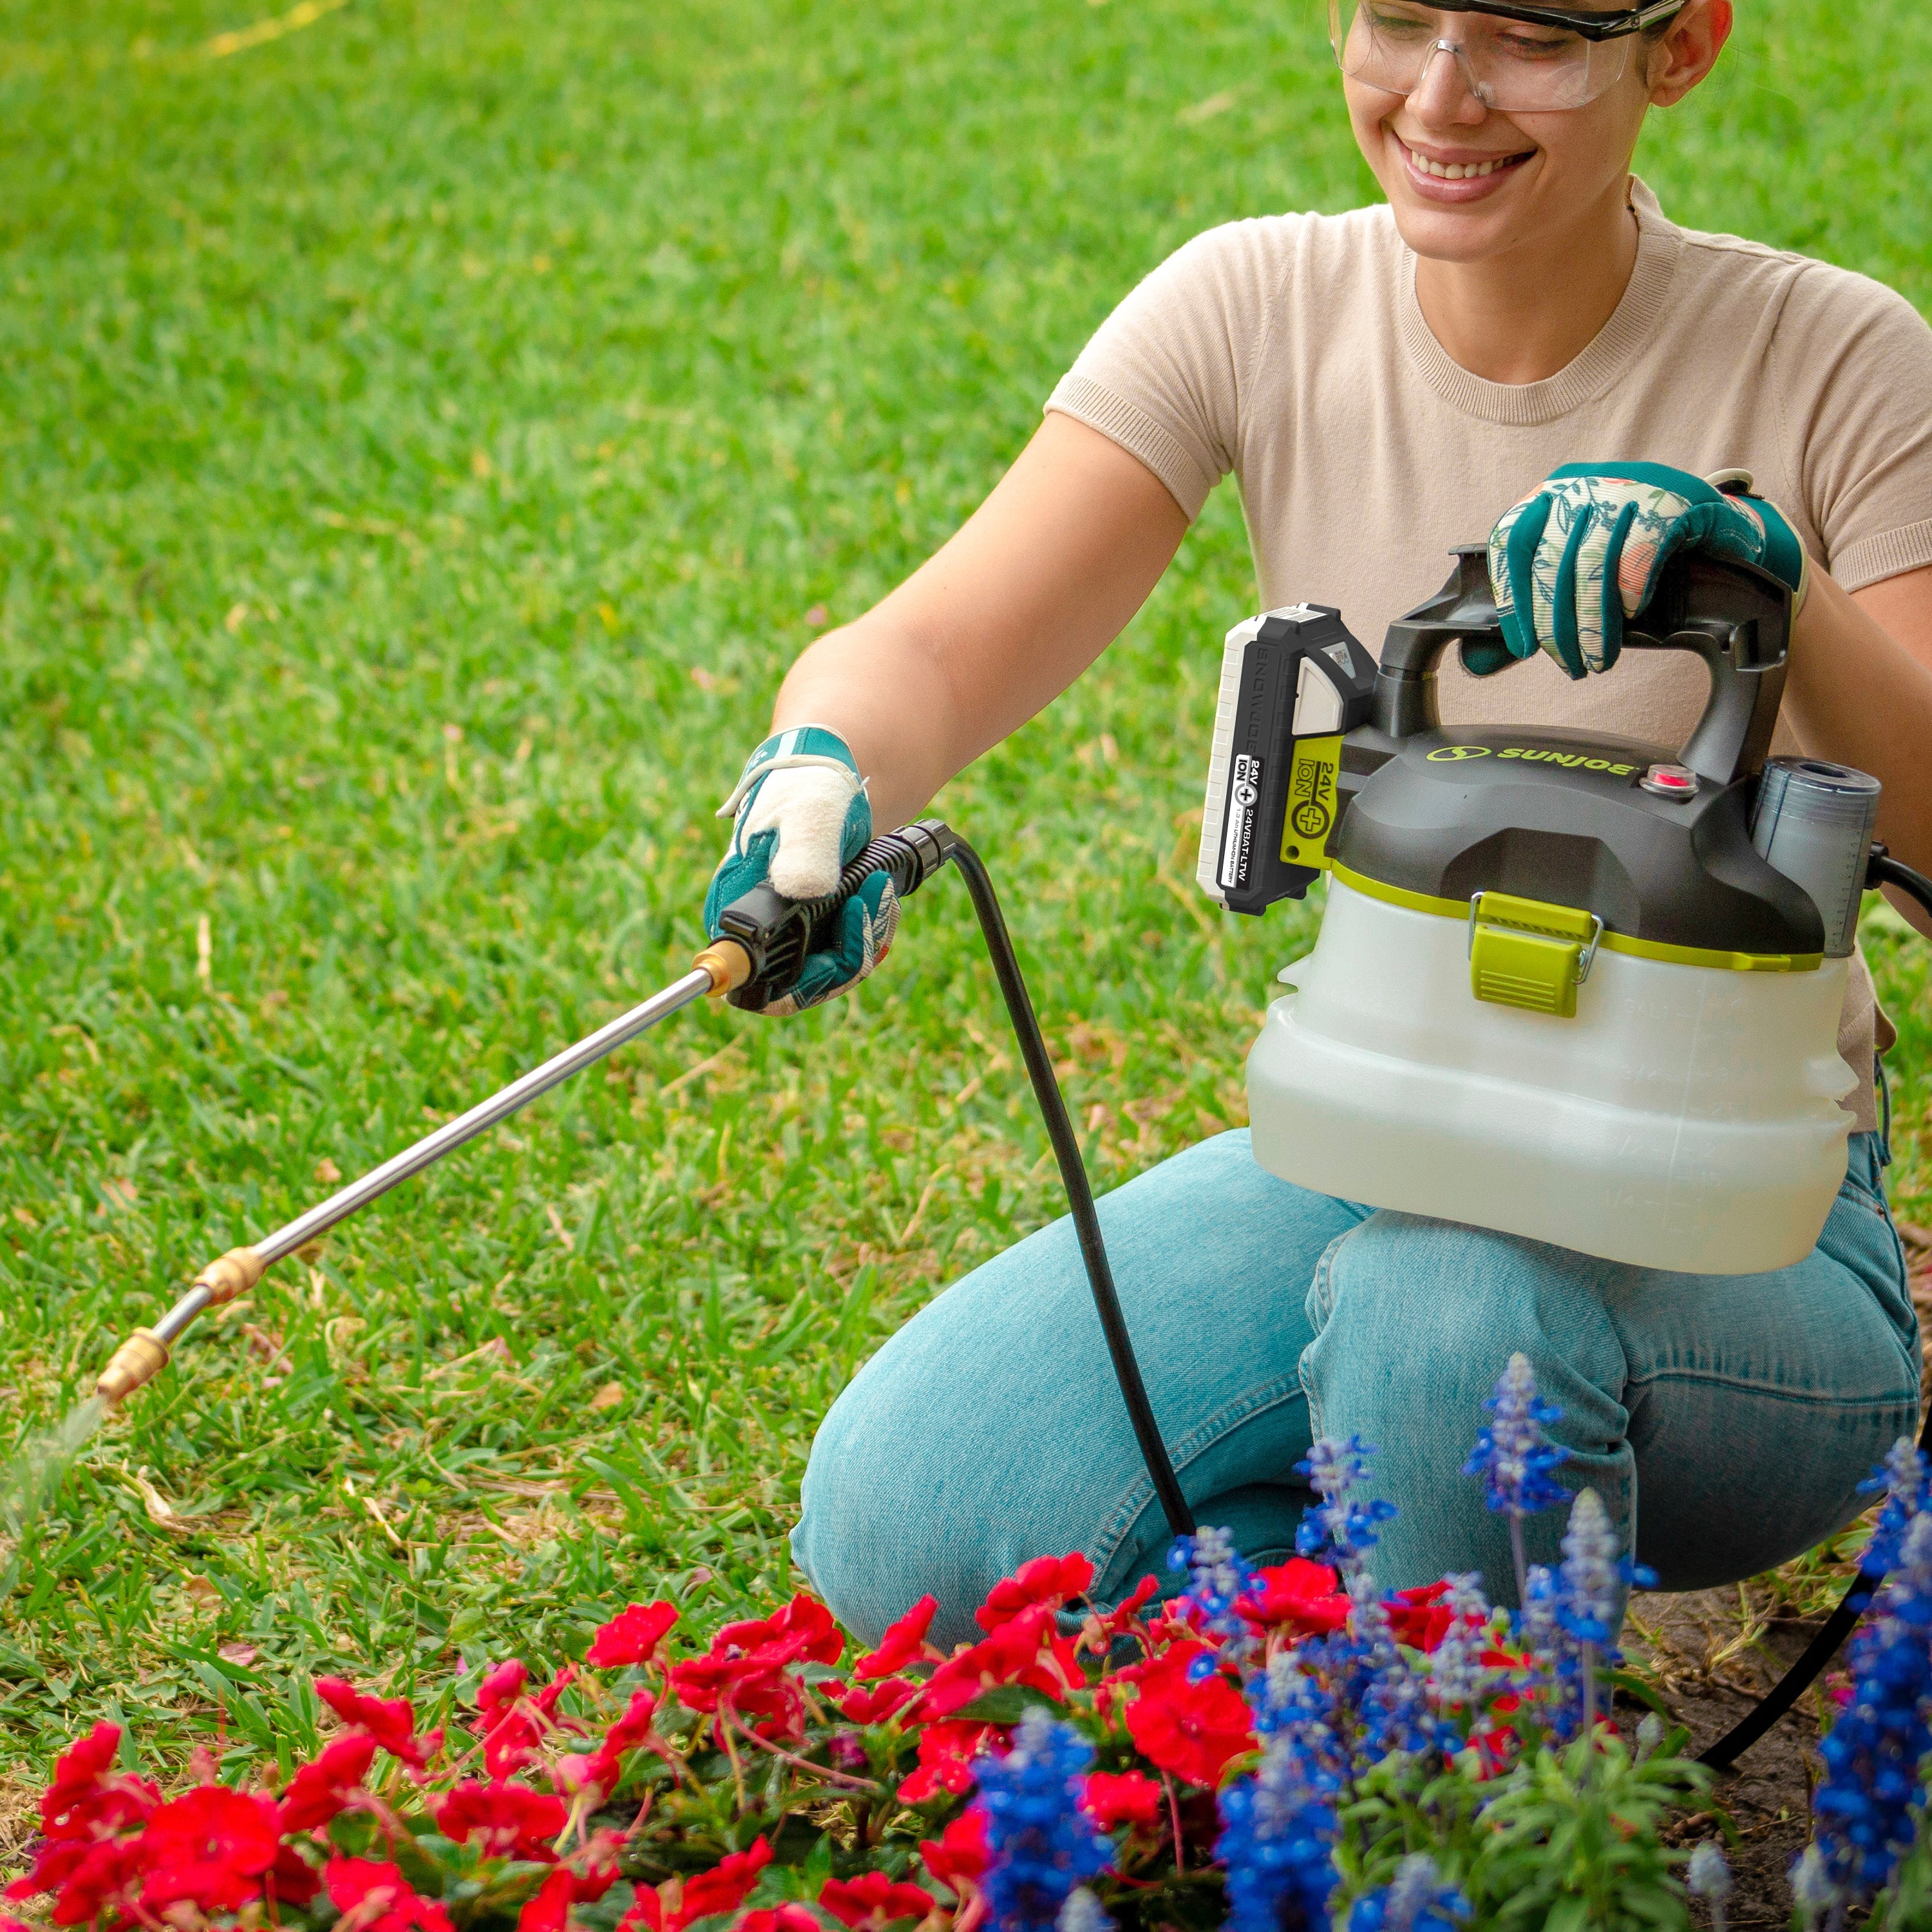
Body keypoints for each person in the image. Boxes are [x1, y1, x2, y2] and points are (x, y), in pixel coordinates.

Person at [703, 0, 1932, 1646]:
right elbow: (935, 642)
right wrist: (820, 770)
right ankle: (1390, 1622)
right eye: (1395, 17)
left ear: (1682, 45)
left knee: (1449, 1313)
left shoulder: (1840, 360)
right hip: (1384, 1146)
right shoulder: (1258, 303)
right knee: (918, 1519)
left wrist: (1775, 574)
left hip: (1743, 1221)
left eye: (1530, 36)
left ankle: (1480, 1826)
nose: (1439, 92)